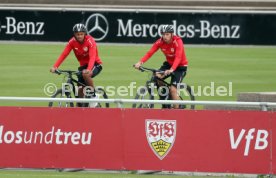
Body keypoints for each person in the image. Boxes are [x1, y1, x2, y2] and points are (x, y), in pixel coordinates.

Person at [134, 25, 188, 109]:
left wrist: (172, 69)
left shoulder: (178, 41)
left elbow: (178, 57)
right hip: (169, 64)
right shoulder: (160, 42)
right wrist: (140, 62)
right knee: (157, 77)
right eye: (163, 34)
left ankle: (177, 110)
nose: (165, 36)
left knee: (173, 90)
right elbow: (150, 53)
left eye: (167, 34)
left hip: (180, 66)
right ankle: (164, 98)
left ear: (171, 34)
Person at [50, 23, 103, 105]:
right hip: (83, 66)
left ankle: (93, 96)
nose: (79, 36)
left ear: (85, 34)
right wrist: (55, 66)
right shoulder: (72, 42)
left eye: (81, 34)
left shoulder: (90, 41)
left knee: (86, 75)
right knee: (80, 89)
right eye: (77, 34)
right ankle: (81, 105)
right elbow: (64, 54)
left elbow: (92, 56)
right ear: (74, 34)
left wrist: (89, 69)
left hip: (95, 64)